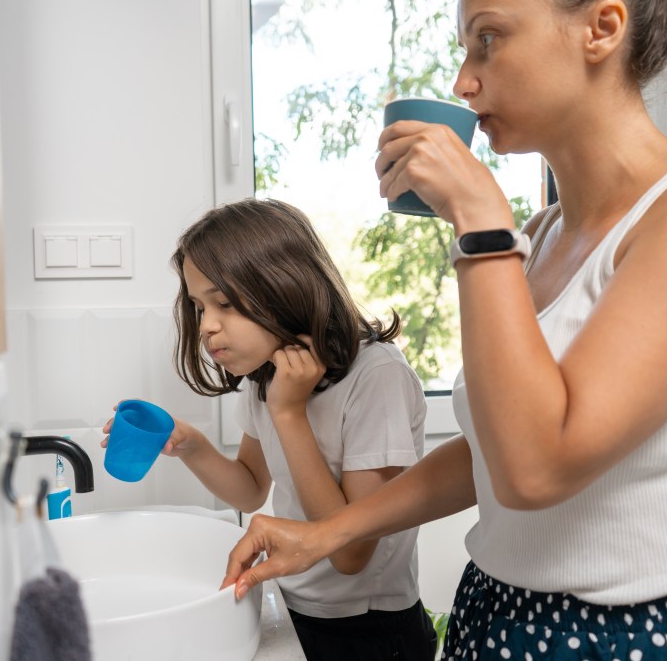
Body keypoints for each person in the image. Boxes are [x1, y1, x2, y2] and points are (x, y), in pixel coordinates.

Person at [222, 0, 667, 659]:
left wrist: (479, 222)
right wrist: (331, 531)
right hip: (496, 611)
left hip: (636, 635)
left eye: (488, 40)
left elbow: (535, 469)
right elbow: (491, 449)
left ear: (602, 29)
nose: (464, 82)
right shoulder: (541, 234)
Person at [101, 198, 437, 660]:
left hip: (369, 629)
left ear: (285, 288)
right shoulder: (267, 374)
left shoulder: (375, 375)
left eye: (223, 303)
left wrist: (289, 413)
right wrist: (191, 445)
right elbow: (250, 490)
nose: (207, 327)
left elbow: (349, 556)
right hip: (295, 601)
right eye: (200, 307)